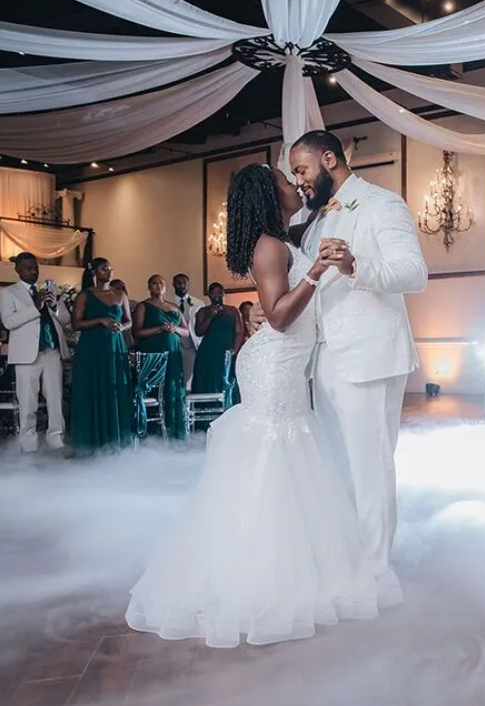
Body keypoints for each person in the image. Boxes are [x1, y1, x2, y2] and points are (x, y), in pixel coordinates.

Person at [126, 165, 386, 647]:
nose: (294, 183)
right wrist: (316, 272)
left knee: (287, 462)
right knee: (274, 459)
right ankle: (258, 575)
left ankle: (284, 563)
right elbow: (281, 317)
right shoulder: (269, 245)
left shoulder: (280, 239)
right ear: (269, 193)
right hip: (273, 363)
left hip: (283, 363)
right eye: (286, 179)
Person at [254, 130, 427, 581]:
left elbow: (414, 273)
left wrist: (355, 266)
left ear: (329, 159)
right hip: (323, 360)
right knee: (337, 468)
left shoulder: (381, 204)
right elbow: (298, 281)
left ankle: (375, 573)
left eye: (302, 170)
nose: (299, 180)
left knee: (370, 468)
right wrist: (258, 309)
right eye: (293, 174)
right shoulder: (316, 220)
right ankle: (349, 560)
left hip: (369, 357)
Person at [0, 252, 71, 453]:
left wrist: (55, 306)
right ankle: (28, 445)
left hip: (52, 351)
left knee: (55, 400)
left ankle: (56, 440)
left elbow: (66, 320)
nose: (33, 272)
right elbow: (9, 322)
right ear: (17, 270)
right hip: (25, 356)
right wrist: (36, 306)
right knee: (28, 402)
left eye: (36, 268)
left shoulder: (49, 290)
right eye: (28, 268)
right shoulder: (8, 293)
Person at [70, 258, 133, 455]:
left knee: (114, 388)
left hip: (115, 346)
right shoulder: (85, 295)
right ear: (94, 272)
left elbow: (129, 321)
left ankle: (116, 440)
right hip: (91, 348)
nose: (109, 271)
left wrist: (121, 327)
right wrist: (99, 320)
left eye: (111, 268)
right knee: (92, 389)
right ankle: (92, 442)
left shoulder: (120, 294)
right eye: (105, 268)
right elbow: (76, 324)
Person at [132, 275, 190, 440]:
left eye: (161, 283)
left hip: (173, 353)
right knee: (156, 389)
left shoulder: (173, 307)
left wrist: (175, 329)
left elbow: (186, 332)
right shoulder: (143, 306)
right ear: (149, 287)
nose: (158, 286)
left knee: (173, 387)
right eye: (154, 283)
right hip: (153, 354)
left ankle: (173, 427)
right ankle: (153, 430)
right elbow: (136, 332)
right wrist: (160, 329)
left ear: (165, 287)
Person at [191, 283, 243, 402]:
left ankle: (229, 407)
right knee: (207, 382)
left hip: (227, 352)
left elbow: (239, 332)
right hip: (208, 353)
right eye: (214, 293)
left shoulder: (232, 310)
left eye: (219, 292)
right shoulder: (203, 311)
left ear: (223, 293)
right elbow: (199, 331)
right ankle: (207, 409)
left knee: (227, 379)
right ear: (209, 295)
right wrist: (212, 315)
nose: (217, 296)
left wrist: (235, 350)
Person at [168, 274, 202, 387]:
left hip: (190, 345)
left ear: (188, 284)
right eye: (179, 283)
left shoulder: (198, 303)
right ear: (173, 284)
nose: (182, 285)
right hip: (173, 343)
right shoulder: (167, 302)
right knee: (172, 375)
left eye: (184, 283)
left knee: (188, 377)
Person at [110, 279, 135, 349]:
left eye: (123, 288)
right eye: (117, 289)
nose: (121, 291)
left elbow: (131, 322)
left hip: (128, 341)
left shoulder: (133, 305)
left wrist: (123, 326)